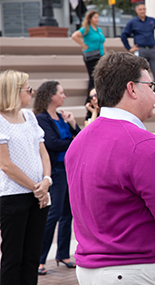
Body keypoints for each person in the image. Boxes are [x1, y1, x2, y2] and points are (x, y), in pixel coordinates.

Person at [65, 51, 155, 284]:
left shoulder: (79, 140)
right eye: (151, 84)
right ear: (132, 88)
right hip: (134, 268)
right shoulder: (142, 143)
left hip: (92, 268)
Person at [0, 70, 51, 285]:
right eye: (28, 89)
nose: (32, 92)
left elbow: (43, 151)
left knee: (32, 257)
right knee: (13, 259)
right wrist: (35, 187)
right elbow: (5, 164)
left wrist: (46, 180)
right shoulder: (1, 121)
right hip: (14, 197)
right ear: (14, 92)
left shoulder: (29, 116)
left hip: (38, 195)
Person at [33, 81, 81, 275]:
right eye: (61, 92)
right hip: (56, 171)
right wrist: (72, 141)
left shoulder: (62, 117)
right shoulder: (42, 118)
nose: (64, 96)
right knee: (53, 215)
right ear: (51, 95)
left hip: (69, 169)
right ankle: (40, 258)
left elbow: (79, 137)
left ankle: (63, 254)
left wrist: (72, 124)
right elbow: (52, 143)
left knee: (68, 214)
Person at [121, 2, 155, 103]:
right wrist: (129, 48)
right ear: (137, 11)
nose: (142, 11)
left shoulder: (151, 21)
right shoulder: (133, 22)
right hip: (140, 50)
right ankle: (142, 95)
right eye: (140, 9)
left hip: (152, 49)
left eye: (144, 9)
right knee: (140, 73)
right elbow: (124, 35)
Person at [71, 10, 106, 96]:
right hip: (91, 55)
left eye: (98, 17)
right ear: (90, 19)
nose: (97, 19)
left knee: (99, 77)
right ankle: (90, 97)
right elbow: (74, 35)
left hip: (100, 55)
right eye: (95, 17)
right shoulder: (86, 28)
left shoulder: (98, 30)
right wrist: (83, 44)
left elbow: (102, 43)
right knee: (93, 77)